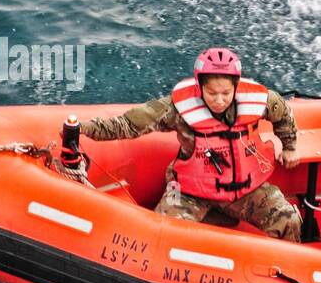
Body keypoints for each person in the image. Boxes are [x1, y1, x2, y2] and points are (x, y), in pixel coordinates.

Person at [79, 47, 303, 241]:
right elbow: (127, 125)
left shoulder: (259, 101)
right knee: (162, 232)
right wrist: (83, 129)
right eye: (212, 93)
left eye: (226, 93)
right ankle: (211, 219)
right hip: (188, 191)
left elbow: (283, 113)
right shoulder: (177, 109)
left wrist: (290, 146)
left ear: (236, 86)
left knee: (289, 220)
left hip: (245, 190)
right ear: (199, 86)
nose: (219, 100)